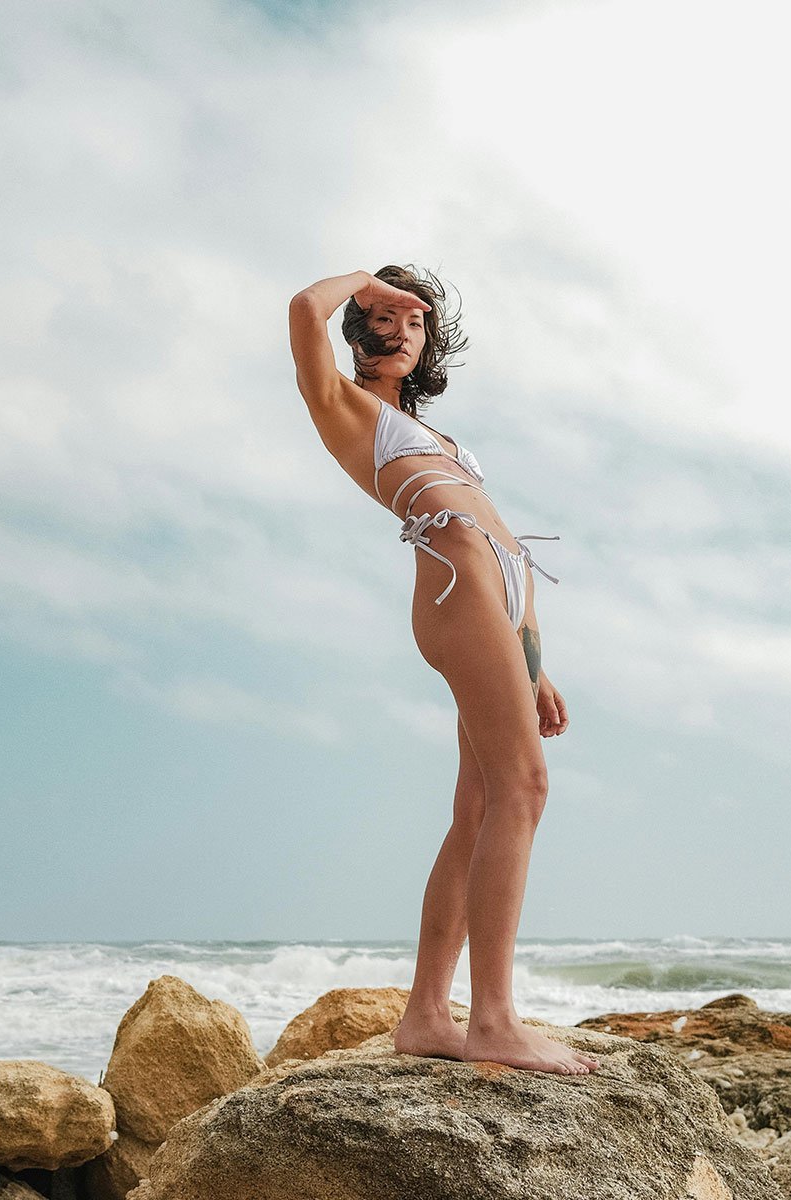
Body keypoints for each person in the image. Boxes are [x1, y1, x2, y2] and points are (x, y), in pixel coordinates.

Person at [288, 265, 599, 1076]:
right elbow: (300, 310)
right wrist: (362, 282)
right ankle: (493, 1020)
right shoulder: (346, 408)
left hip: (501, 599)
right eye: (384, 320)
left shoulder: (444, 440)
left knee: (479, 811)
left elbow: (507, 540)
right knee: (524, 788)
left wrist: (537, 662)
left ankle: (428, 1014)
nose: (401, 332)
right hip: (457, 588)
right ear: (358, 330)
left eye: (415, 323)